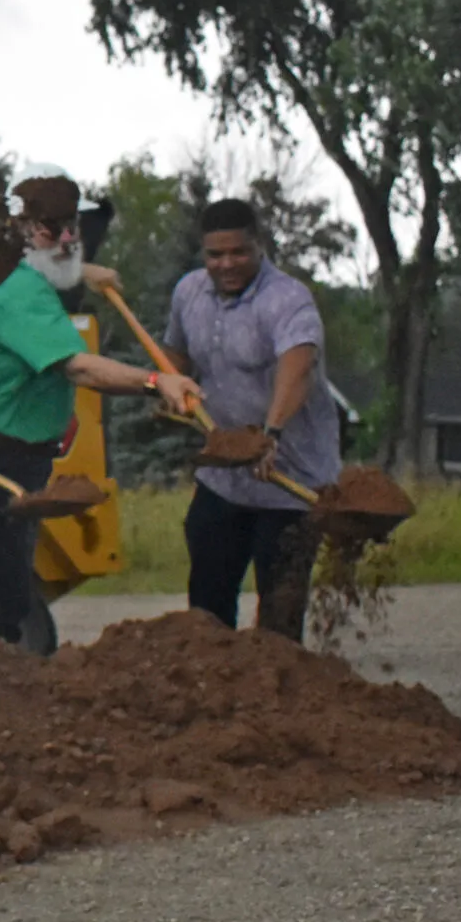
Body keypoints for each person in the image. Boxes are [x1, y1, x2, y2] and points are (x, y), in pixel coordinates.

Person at [0, 170, 200, 649]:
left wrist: (84, 272)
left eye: (71, 225)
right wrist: (157, 381)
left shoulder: (3, 270)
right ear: (18, 230)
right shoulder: (17, 292)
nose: (67, 238)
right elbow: (77, 368)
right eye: (51, 227)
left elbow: (49, 265)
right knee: (0, 601)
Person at [160, 197, 339, 638]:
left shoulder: (288, 299)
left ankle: (279, 697)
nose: (226, 264)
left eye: (238, 252)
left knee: (280, 610)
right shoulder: (189, 292)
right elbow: (175, 353)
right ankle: (216, 688)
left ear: (259, 245)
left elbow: (298, 368)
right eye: (215, 255)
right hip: (224, 476)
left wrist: (270, 434)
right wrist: (166, 385)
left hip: (289, 479)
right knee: (207, 600)